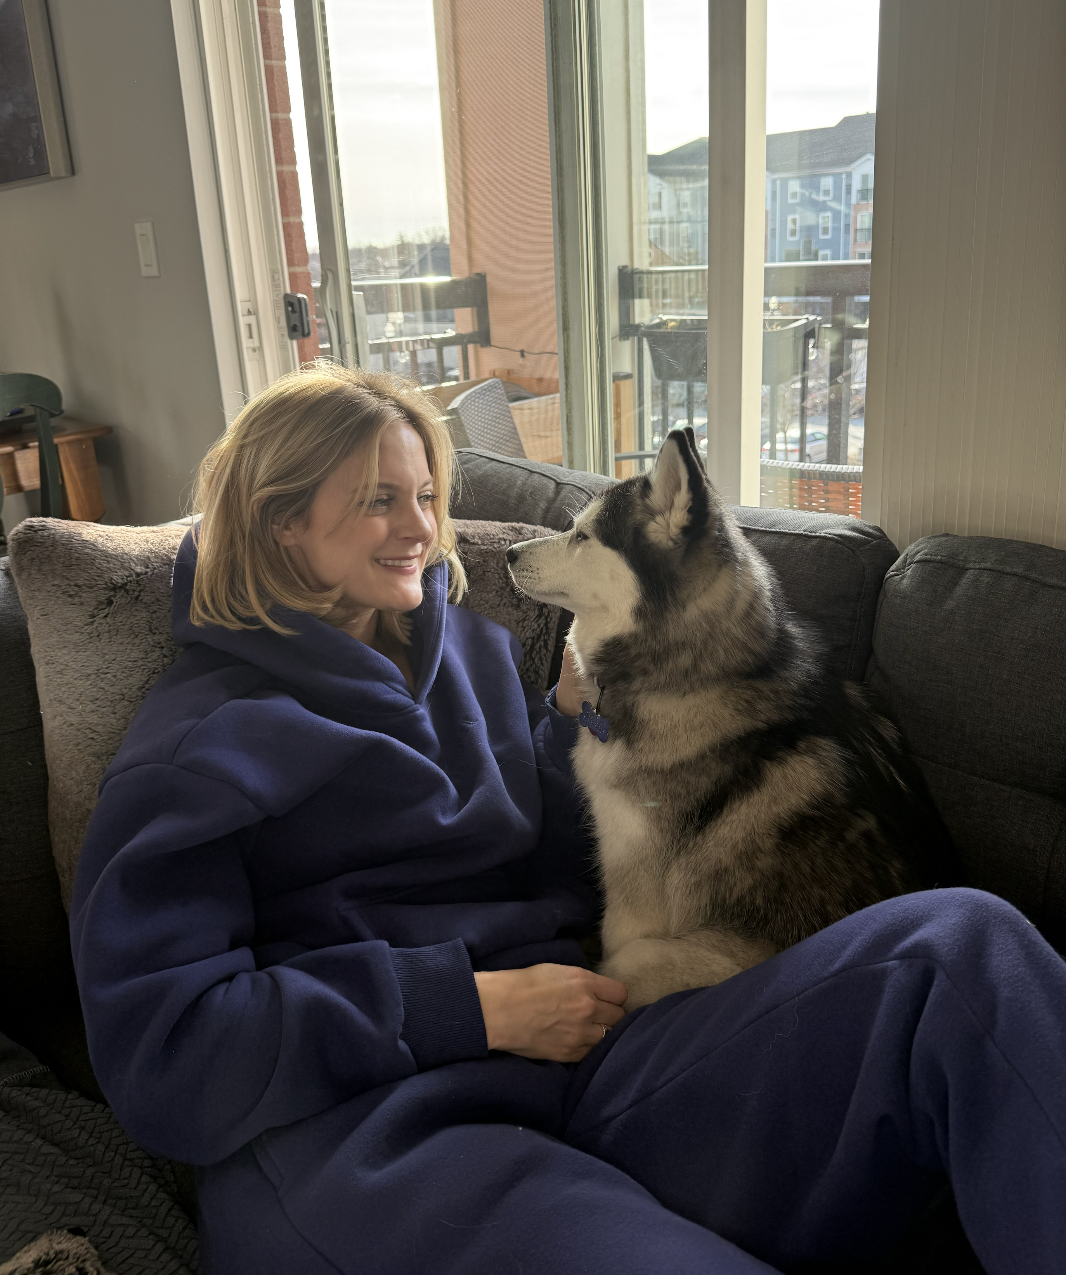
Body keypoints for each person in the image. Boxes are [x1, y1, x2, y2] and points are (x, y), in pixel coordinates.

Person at [71, 364, 1066, 1275]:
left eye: (426, 495)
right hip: (372, 1137)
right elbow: (168, 1057)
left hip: (587, 1060)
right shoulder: (198, 746)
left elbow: (548, 863)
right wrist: (472, 1008)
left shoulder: (470, 654)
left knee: (961, 949)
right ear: (281, 521)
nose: (419, 528)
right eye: (378, 500)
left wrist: (570, 734)